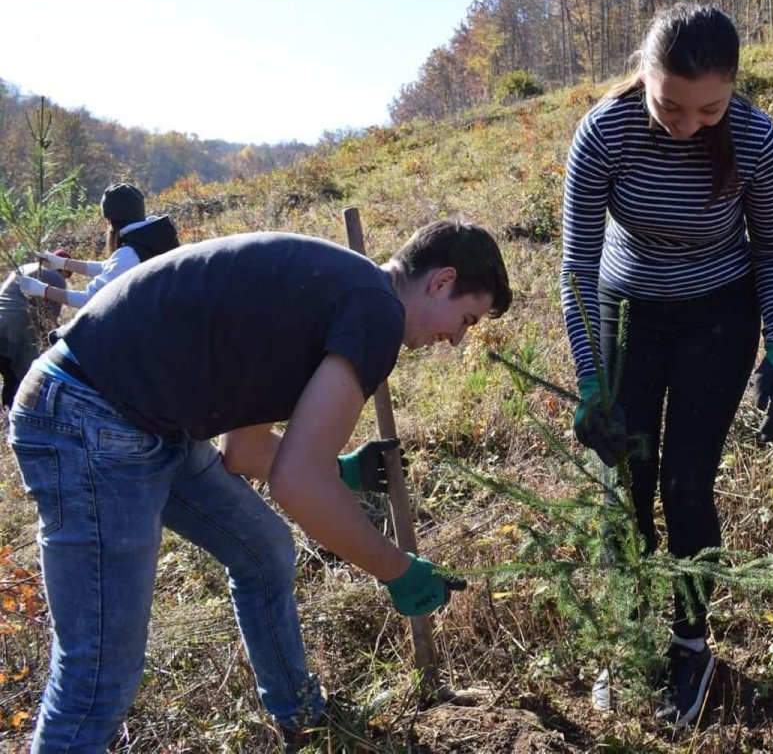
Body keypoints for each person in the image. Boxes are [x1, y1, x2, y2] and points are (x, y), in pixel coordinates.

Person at [8, 219, 512, 752]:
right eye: (466, 319)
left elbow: (241, 453)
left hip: (147, 422)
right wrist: (398, 569)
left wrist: (337, 469)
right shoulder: (375, 311)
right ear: (441, 281)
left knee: (264, 549)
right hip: (89, 418)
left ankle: (302, 717)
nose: (456, 339)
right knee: (98, 676)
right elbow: (297, 483)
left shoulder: (335, 292)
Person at [560, 3, 773, 727]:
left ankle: (690, 642)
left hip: (717, 317)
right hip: (625, 310)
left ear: (732, 90)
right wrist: (591, 378)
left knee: (685, 483)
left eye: (709, 109)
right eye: (671, 105)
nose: (688, 123)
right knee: (623, 481)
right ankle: (627, 637)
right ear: (644, 75)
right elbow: (574, 262)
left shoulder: (755, 139)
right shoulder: (606, 131)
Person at [17, 182, 179, 307]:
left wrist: (41, 290)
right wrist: (63, 263)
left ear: (110, 220)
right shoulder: (152, 239)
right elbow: (111, 267)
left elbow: (90, 300)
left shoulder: (129, 253)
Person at [0, 251, 71, 408]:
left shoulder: (24, 268)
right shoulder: (57, 279)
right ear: (64, 269)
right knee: (24, 378)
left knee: (9, 377)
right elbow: (50, 322)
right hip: (16, 333)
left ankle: (7, 416)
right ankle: (16, 419)